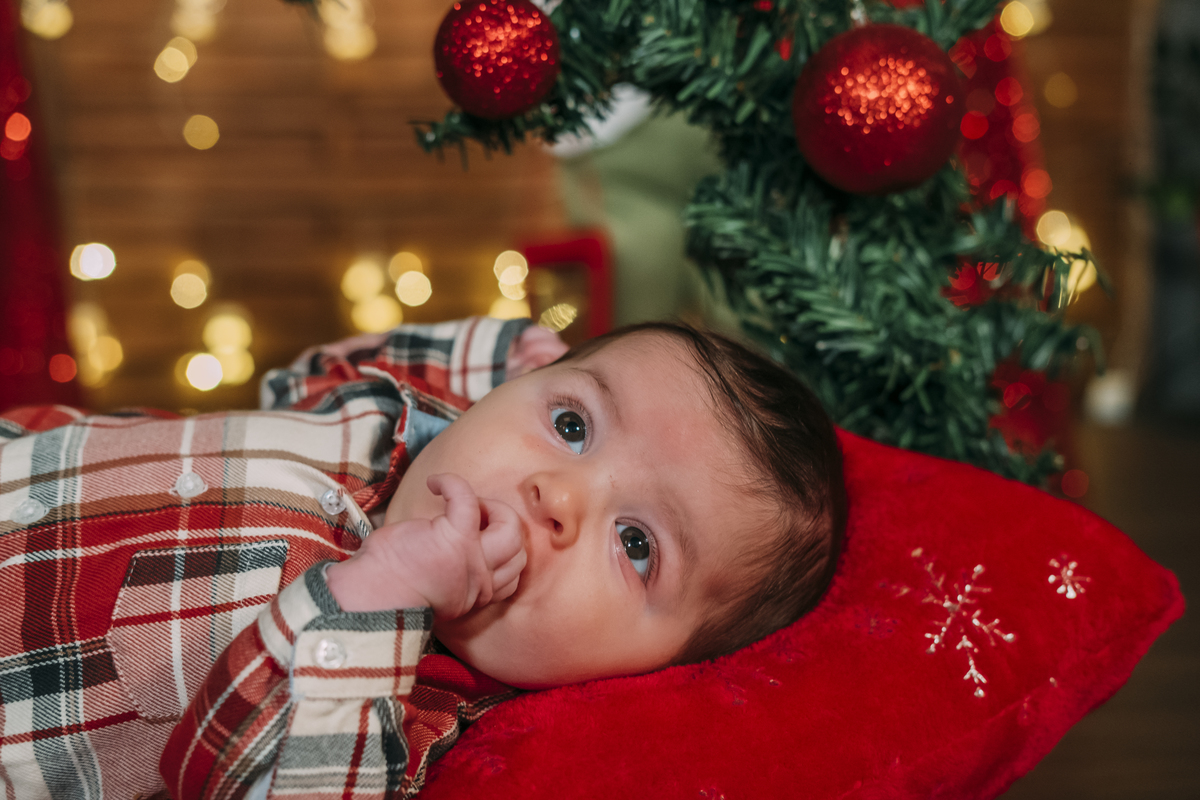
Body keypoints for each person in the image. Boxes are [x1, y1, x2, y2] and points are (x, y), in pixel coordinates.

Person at [0, 316, 845, 800]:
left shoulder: (403, 712)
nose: (558, 493)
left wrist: (376, 596)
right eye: (573, 426)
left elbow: (249, 783)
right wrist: (512, 351)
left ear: (650, 671)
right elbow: (303, 378)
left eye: (636, 544)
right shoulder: (402, 422)